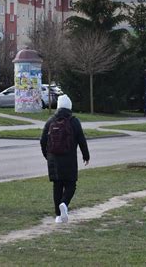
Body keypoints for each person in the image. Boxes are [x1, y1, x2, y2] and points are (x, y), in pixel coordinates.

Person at [40, 94, 90, 224]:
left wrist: (47, 156)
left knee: (57, 185)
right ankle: (64, 203)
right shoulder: (74, 121)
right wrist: (86, 155)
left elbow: (42, 140)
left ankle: (58, 215)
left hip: (53, 159)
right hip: (69, 158)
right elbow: (81, 140)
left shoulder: (50, 121)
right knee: (71, 184)